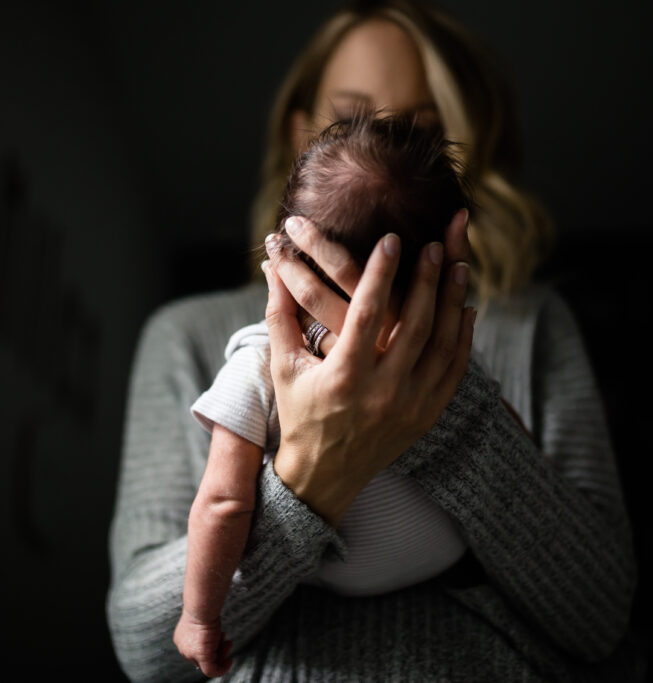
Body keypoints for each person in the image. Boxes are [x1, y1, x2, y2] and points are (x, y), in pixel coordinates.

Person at [107, 1, 638, 681]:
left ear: (455, 164)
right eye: (347, 120)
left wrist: (445, 412)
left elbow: (599, 619)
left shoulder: (530, 326)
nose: (376, 149)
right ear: (301, 135)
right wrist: (307, 481)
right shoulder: (194, 337)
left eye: (415, 131)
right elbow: (145, 651)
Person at [174, 114, 476, 677]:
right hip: (453, 558)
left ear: (291, 250)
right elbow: (500, 428)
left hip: (333, 577)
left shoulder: (263, 361)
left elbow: (223, 504)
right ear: (442, 261)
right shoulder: (445, 350)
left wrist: (199, 616)